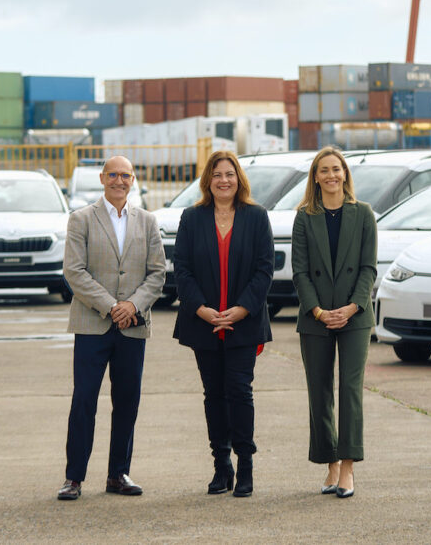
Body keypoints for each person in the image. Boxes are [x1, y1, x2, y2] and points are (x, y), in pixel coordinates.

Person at [57, 155, 166, 501]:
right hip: (92, 325)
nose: (120, 181)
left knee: (127, 402)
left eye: (126, 175)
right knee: (84, 401)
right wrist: (111, 306)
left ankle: (118, 474)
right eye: (113, 175)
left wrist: (132, 306)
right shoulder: (82, 219)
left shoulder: (148, 221)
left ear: (133, 180)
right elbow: (75, 272)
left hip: (132, 326)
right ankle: (74, 478)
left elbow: (157, 273)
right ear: (102, 178)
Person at [172, 150, 274, 498]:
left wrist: (242, 309)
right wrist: (200, 309)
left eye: (230, 174)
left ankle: (245, 464)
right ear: (208, 181)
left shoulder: (257, 217)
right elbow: (181, 269)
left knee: (239, 391)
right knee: (213, 394)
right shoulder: (192, 217)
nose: (224, 180)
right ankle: (221, 464)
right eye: (217, 175)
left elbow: (265, 270)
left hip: (243, 323)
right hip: (203, 323)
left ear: (239, 179)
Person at [291, 146, 376, 498]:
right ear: (315, 176)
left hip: (354, 317)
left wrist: (353, 307)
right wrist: (319, 311)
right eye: (324, 170)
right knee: (320, 391)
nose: (331, 175)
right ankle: (329, 463)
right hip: (316, 318)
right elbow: (299, 271)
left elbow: (369, 268)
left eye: (336, 169)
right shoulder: (304, 217)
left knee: (350, 390)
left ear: (345, 174)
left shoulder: (364, 214)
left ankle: (348, 467)